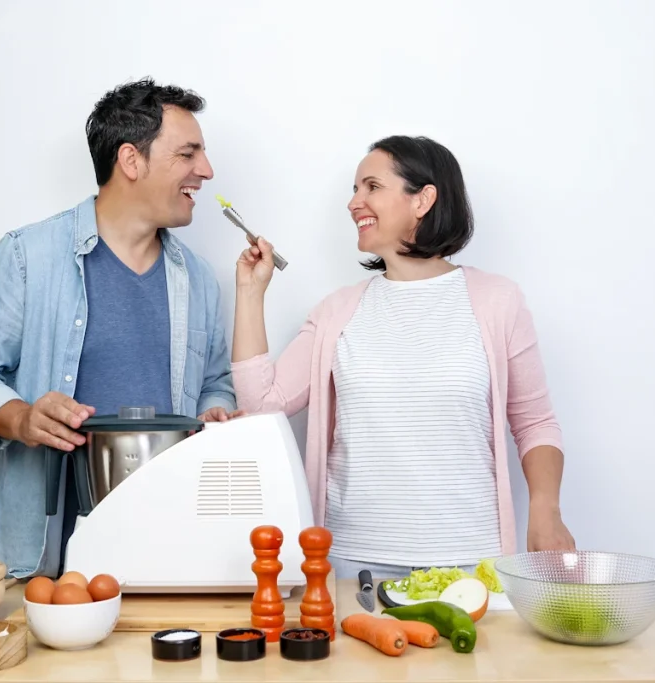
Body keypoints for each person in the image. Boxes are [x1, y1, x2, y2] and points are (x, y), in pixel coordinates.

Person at [230, 135, 575, 580]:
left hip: (472, 562)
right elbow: (263, 406)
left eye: (371, 186)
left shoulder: (497, 302)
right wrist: (249, 293)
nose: (355, 202)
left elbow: (535, 422)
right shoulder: (337, 311)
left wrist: (546, 511)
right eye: (354, 189)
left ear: (423, 199)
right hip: (353, 565)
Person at [0, 78, 241, 580]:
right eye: (189, 153)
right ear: (131, 160)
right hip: (48, 563)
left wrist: (216, 413)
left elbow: (214, 382)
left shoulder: (199, 279)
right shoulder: (26, 257)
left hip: (172, 544)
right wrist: (20, 417)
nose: (205, 171)